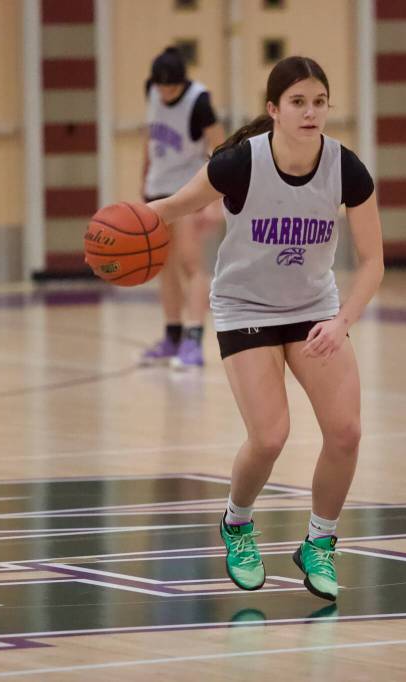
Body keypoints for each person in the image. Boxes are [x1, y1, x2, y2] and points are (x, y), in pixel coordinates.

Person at [146, 56, 383, 601]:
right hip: (246, 308)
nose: (310, 112)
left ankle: (319, 542)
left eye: (319, 102)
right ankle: (236, 523)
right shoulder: (239, 163)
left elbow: (373, 261)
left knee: (346, 432)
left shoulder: (346, 168)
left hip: (313, 309)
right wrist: (122, 224)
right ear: (274, 109)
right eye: (298, 102)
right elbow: (175, 207)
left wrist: (341, 321)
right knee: (270, 436)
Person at [140, 47, 225, 369]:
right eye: (160, 86)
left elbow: (220, 147)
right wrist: (143, 179)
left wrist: (215, 200)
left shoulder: (199, 102)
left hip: (188, 191)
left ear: (182, 83)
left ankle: (193, 340)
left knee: (191, 263)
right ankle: (172, 336)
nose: (165, 92)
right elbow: (149, 138)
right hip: (157, 188)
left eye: (171, 87)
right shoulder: (151, 91)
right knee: (163, 265)